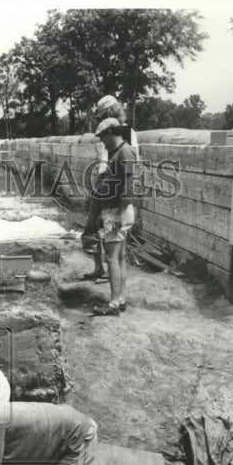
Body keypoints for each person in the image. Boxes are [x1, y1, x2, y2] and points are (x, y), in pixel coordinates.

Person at [90, 117, 138, 317]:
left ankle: (113, 304)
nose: (102, 141)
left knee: (111, 258)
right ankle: (121, 299)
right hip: (113, 210)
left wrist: (117, 214)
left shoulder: (124, 151)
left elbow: (128, 185)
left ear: (111, 133)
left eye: (103, 137)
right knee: (119, 257)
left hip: (117, 211)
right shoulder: (116, 152)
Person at [81, 95, 138, 263]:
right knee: (93, 223)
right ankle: (100, 266)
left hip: (114, 181)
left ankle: (111, 264)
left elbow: (132, 159)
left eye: (103, 114)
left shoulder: (125, 131)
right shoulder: (105, 129)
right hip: (103, 178)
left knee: (109, 224)